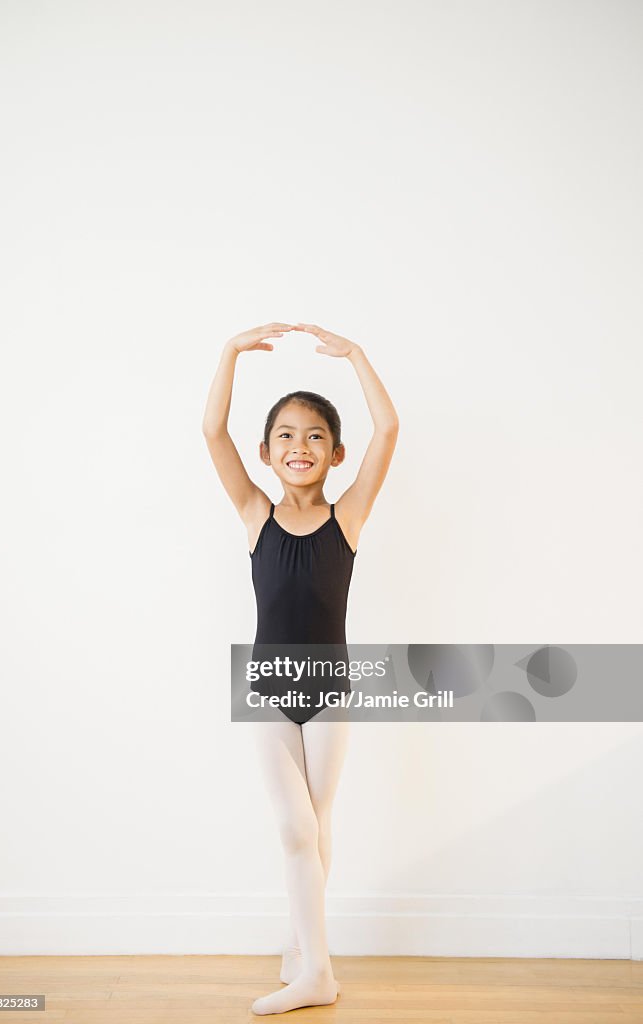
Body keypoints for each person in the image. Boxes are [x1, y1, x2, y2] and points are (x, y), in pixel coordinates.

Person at [202, 322, 399, 1015]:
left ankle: (307, 957)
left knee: (316, 822)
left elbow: (388, 428)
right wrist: (228, 352)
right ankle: (312, 965)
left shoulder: (348, 518)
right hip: (265, 691)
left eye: (315, 435)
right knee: (295, 828)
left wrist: (357, 357)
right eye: (285, 435)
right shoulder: (255, 514)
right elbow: (211, 432)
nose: (298, 446)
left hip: (329, 692)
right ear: (265, 452)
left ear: (336, 453)